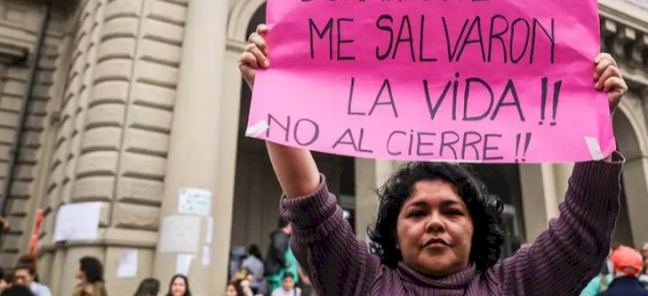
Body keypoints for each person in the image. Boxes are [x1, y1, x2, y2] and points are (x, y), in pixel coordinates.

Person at [238, 24, 627, 296]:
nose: (435, 223)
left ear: (476, 229)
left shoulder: (513, 286)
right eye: (417, 212)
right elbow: (309, 205)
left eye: (453, 212)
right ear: (393, 231)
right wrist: (272, 97)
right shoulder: (361, 281)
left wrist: (596, 115)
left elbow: (581, 233)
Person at [264, 217, 297, 292]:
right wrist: (285, 263)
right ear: (289, 226)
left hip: (274, 270)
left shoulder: (279, 236)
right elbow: (279, 250)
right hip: (276, 272)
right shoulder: (281, 236)